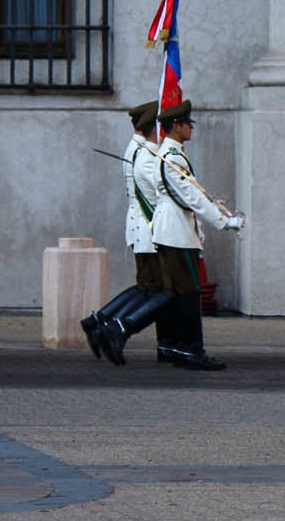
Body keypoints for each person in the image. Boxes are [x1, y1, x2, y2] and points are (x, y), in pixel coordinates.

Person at [104, 100, 245, 370]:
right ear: (176, 126)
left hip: (173, 231)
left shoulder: (168, 153)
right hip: (175, 233)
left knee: (177, 293)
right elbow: (189, 196)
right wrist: (223, 221)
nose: (191, 127)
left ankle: (172, 346)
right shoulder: (171, 156)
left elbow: (190, 192)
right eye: (187, 123)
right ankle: (186, 349)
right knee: (186, 293)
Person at [81, 101, 168, 360]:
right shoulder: (147, 155)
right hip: (150, 230)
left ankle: (99, 320)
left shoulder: (136, 149)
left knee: (146, 286)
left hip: (139, 227)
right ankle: (114, 326)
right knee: (159, 288)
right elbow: (161, 196)